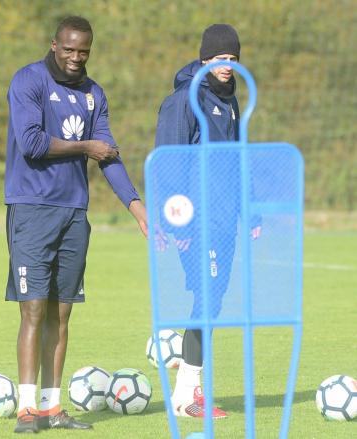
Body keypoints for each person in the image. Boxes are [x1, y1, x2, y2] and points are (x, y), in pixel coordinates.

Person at [4, 16, 148, 434]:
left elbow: (109, 155)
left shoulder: (93, 94)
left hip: (73, 214)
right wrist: (87, 146)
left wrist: (136, 206)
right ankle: (26, 408)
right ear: (54, 45)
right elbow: (31, 143)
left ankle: (52, 407)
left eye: (83, 51)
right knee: (32, 309)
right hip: (31, 209)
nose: (75, 57)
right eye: (68, 49)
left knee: (62, 314)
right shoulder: (27, 81)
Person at [153, 24, 261, 419]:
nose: (227, 66)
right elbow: (167, 166)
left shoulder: (229, 101)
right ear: (204, 60)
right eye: (220, 59)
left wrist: (249, 210)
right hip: (196, 224)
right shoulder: (184, 101)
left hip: (223, 220)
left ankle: (182, 368)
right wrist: (178, 224)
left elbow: (235, 160)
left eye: (233, 59)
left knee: (211, 300)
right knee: (207, 299)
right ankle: (186, 397)